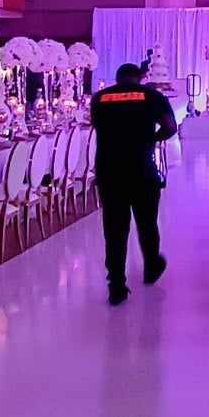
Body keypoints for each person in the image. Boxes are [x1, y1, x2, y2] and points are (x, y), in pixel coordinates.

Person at [90, 63, 178, 306]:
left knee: (115, 227)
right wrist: (150, 139)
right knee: (147, 221)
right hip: (142, 169)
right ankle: (151, 264)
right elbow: (170, 127)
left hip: (109, 170)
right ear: (139, 78)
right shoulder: (152, 96)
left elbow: (99, 126)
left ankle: (116, 283)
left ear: (117, 79)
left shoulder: (100, 98)